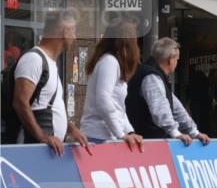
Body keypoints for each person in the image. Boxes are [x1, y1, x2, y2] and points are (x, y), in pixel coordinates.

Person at [10, 9, 91, 155]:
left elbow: (49, 105)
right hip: (34, 150)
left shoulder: (51, 63)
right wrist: (43, 137)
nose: (75, 36)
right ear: (65, 32)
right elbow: (20, 102)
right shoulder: (33, 59)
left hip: (47, 150)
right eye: (73, 31)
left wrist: (72, 129)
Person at [125, 38, 210, 145]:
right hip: (145, 143)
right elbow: (160, 109)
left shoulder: (155, 75)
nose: (177, 63)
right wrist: (175, 132)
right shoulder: (151, 77)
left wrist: (194, 132)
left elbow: (176, 107)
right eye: (177, 60)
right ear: (170, 59)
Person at [79, 19, 143, 149]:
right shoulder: (109, 62)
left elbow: (118, 107)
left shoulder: (113, 63)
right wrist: (121, 133)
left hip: (107, 136)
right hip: (98, 137)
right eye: (134, 36)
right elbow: (103, 100)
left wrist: (129, 131)